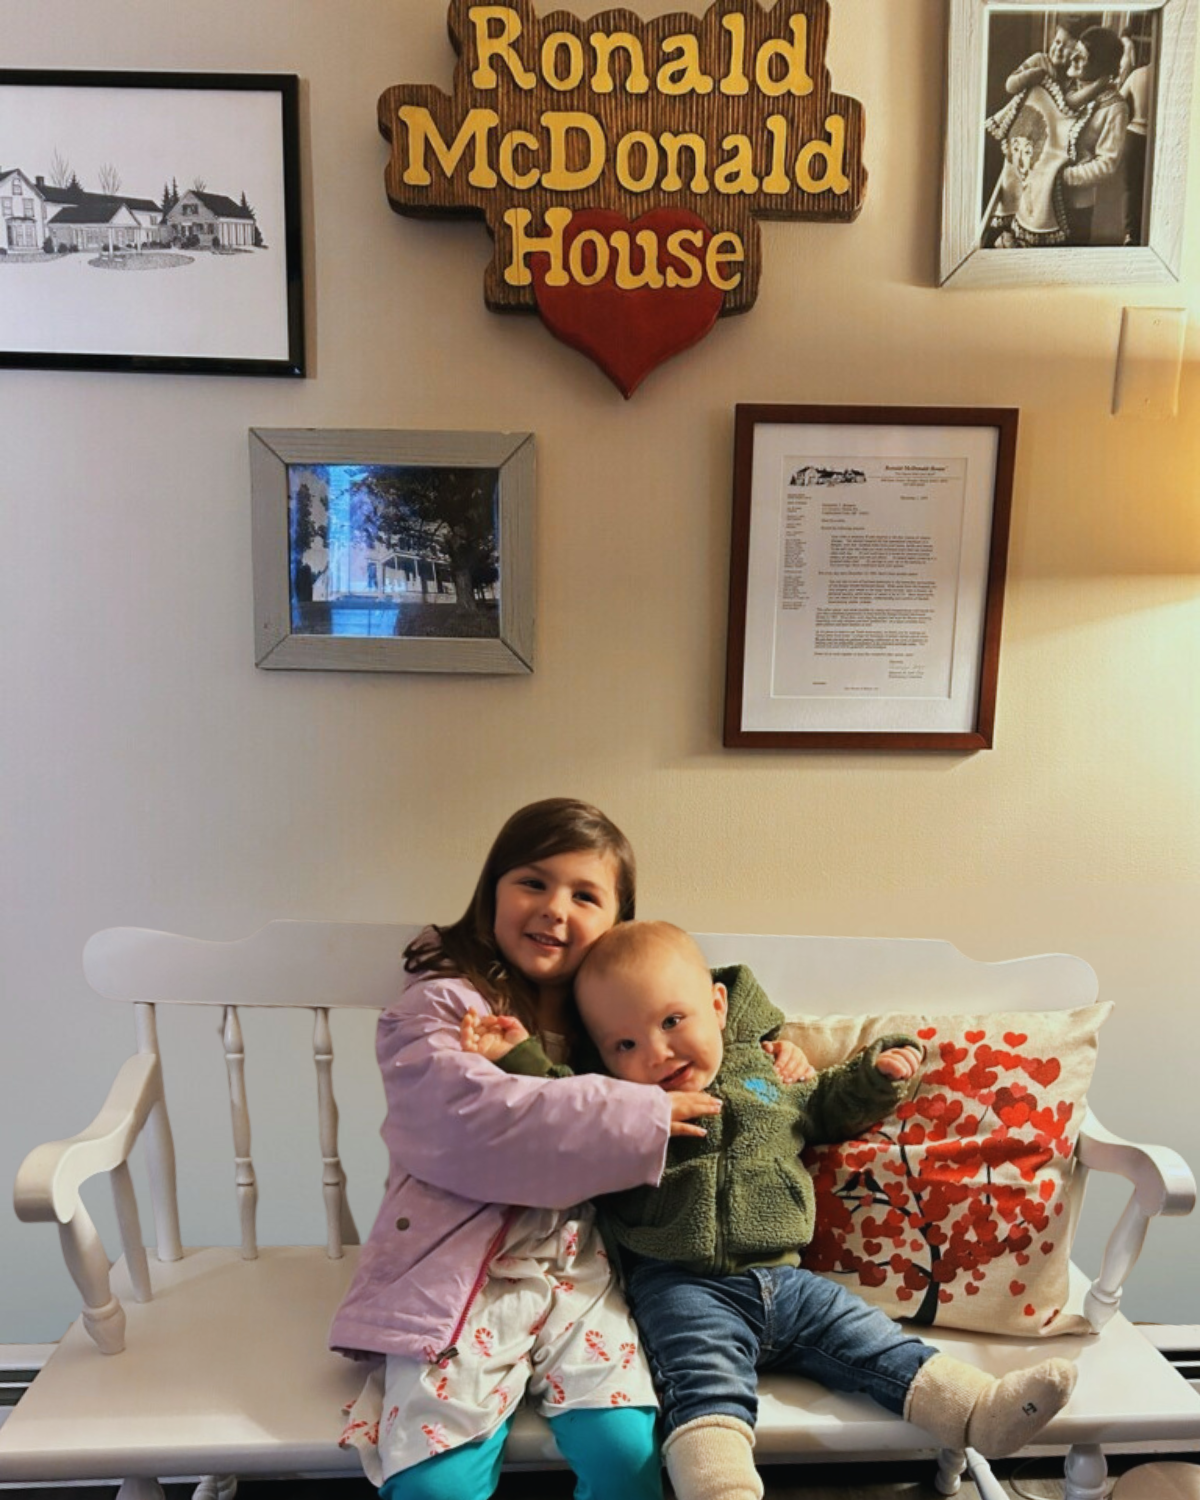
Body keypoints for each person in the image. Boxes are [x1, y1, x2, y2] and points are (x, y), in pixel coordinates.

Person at [466, 922, 1079, 1500]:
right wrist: (518, 1056)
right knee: (703, 1380)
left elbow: (829, 1103)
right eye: (624, 1043)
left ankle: (980, 1411)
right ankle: (721, 1487)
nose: (656, 1052)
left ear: (718, 1006)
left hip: (788, 1277)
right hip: (680, 1286)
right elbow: (562, 1099)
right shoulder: (620, 1103)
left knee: (872, 1341)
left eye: (673, 1020)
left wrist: (882, 1069)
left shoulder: (769, 1076)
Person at [326, 799, 806, 1500]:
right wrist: (638, 1110)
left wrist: (775, 1056)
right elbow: (469, 1125)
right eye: (533, 882)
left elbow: (704, 1038)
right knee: (435, 1485)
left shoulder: (614, 1024)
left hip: (586, 1268)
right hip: (459, 1274)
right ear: (493, 889)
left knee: (628, 1454)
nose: (555, 909)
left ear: (617, 923)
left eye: (585, 895)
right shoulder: (444, 1005)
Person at [1060, 26, 1130, 245]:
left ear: (1100, 66)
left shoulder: (1115, 107)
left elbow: (1107, 164)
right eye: (1075, 51)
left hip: (1075, 206)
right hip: (1043, 197)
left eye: (1081, 56)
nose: (1072, 57)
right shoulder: (1064, 88)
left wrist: (1063, 177)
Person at [1118, 30, 1152, 244]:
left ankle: (1130, 233)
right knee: (1149, 187)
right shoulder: (1167, 79)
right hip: (1153, 139)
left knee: (1131, 188)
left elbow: (1119, 100)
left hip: (1133, 134)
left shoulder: (1137, 74)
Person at [1004, 13, 1087, 97]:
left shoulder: (1073, 78)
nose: (1059, 48)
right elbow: (1010, 85)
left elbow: (1072, 103)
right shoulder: (1039, 60)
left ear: (1077, 54)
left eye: (1067, 47)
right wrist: (1030, 75)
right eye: (1057, 42)